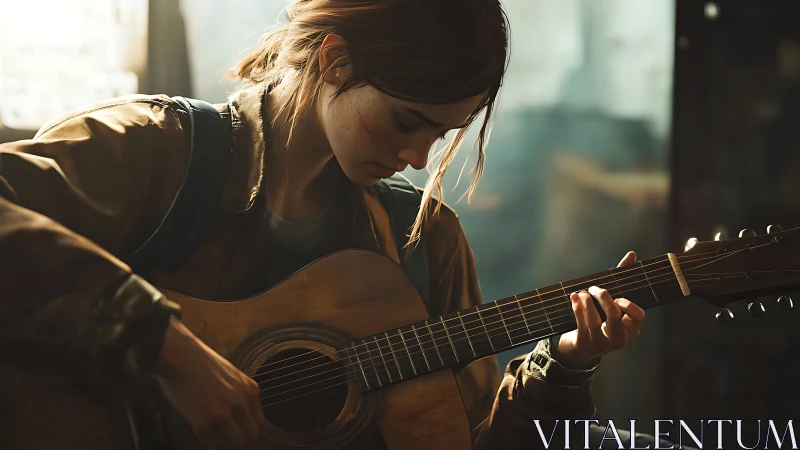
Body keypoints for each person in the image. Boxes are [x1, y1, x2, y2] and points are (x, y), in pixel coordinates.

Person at [0, 0, 655, 448]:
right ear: (334, 60)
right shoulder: (157, 149)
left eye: (442, 135)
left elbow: (466, 439)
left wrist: (567, 364)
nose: (419, 159)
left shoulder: (425, 242)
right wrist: (161, 344)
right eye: (405, 122)